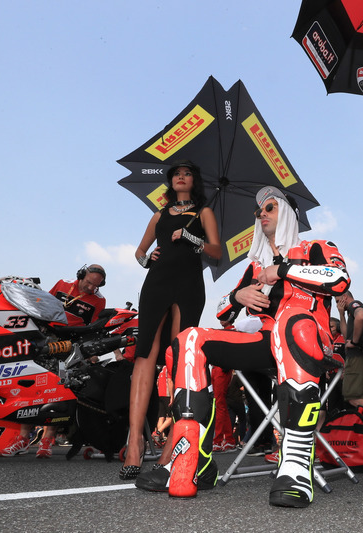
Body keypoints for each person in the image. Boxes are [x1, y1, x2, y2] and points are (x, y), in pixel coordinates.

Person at [135, 185, 350, 508]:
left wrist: (283, 270)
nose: (261, 215)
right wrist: (238, 296)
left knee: (293, 321)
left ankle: (294, 464)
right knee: (189, 338)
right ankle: (194, 459)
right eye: (258, 212)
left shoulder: (317, 246)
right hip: (265, 342)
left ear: (289, 214)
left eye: (269, 209)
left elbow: (339, 279)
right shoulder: (255, 265)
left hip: (310, 340)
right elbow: (223, 311)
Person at [121, 160, 222, 479]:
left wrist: (190, 238)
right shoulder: (158, 215)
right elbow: (139, 251)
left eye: (187, 173)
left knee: (181, 360)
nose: (181, 176)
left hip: (189, 284)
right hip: (157, 283)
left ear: (194, 181)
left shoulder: (204, 213)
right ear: (171, 182)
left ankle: (174, 443)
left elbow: (216, 252)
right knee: (145, 356)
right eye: (176, 173)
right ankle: (134, 442)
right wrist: (145, 259)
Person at [0, 265, 108, 458]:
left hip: (68, 345)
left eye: (95, 286)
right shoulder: (62, 284)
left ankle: (47, 441)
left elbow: (92, 328)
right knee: (31, 386)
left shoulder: (99, 300)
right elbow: (42, 305)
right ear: (81, 276)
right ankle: (23, 439)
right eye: (88, 283)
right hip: (43, 338)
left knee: (58, 391)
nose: (90, 288)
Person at [336, 291, 363, 411]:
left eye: (338, 301)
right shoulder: (349, 313)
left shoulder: (354, 305)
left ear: (345, 297)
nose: (337, 305)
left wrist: (354, 342)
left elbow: (361, 316)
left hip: (357, 357)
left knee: (352, 396)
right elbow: (345, 337)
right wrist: (341, 315)